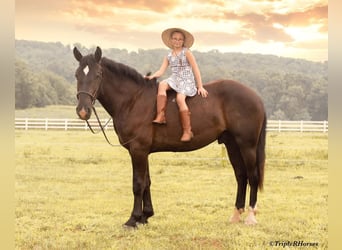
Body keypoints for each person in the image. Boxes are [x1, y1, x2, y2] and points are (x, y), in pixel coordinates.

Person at [146, 28, 208, 142]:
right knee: (162, 85)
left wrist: (200, 86)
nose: (177, 41)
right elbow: (161, 71)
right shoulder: (168, 56)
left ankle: (187, 131)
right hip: (175, 79)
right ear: (171, 40)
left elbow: (195, 69)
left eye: (180, 39)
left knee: (180, 98)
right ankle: (161, 115)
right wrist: (152, 77)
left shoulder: (187, 52)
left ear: (183, 41)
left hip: (186, 80)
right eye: (175, 39)